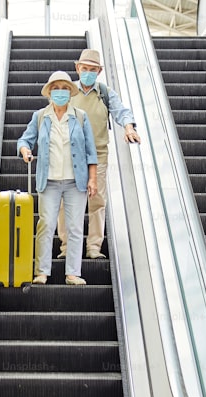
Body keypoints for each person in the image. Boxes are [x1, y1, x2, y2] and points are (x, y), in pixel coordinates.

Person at [56, 48, 141, 260]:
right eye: (84, 68)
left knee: (97, 201)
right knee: (66, 203)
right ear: (77, 68)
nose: (87, 73)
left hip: (98, 156)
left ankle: (94, 246)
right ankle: (67, 248)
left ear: (99, 71)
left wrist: (129, 127)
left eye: (92, 70)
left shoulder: (104, 93)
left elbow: (122, 111)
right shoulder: (68, 92)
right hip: (69, 156)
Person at [17, 71, 98, 286]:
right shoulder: (41, 116)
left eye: (64, 88)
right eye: (55, 89)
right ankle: (42, 271)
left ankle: (72, 273)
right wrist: (25, 150)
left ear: (70, 93)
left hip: (75, 181)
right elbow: (25, 139)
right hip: (49, 181)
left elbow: (91, 151)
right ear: (49, 93)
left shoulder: (80, 116)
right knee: (46, 225)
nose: (60, 92)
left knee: (75, 227)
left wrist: (92, 179)